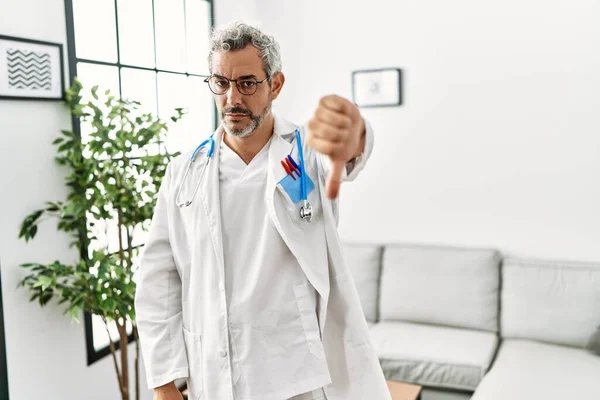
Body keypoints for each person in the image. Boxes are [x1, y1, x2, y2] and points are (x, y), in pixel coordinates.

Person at [134, 21, 390, 400]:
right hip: (218, 373)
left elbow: (349, 149)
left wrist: (356, 135)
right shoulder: (184, 172)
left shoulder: (307, 152)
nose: (232, 98)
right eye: (221, 83)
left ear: (276, 85)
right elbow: (158, 280)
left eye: (248, 83)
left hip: (299, 375)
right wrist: (163, 383)